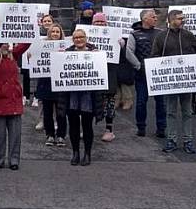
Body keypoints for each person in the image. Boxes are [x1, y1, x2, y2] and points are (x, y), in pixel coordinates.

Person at [151, 10, 196, 154]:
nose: (183, 20)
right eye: (180, 18)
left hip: (186, 80)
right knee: (170, 112)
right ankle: (171, 139)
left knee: (187, 112)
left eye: (183, 18)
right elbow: (154, 55)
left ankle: (188, 140)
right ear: (171, 19)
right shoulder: (161, 37)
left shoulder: (188, 35)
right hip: (170, 81)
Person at [0, 21, 29, 170]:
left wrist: (34, 27)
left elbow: (26, 43)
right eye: (1, 43)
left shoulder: (13, 56)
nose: (5, 45)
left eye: (6, 42)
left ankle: (14, 160)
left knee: (15, 134)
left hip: (14, 100)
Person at [63, 29, 104, 166]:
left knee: (87, 126)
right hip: (72, 95)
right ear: (72, 40)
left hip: (89, 95)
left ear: (86, 38)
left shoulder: (96, 53)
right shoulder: (66, 53)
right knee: (73, 125)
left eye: (81, 37)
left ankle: (87, 153)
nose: (78, 40)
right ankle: (75, 153)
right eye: (76, 38)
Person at [125, 9, 166, 138]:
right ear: (144, 19)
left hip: (158, 74)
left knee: (161, 102)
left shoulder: (160, 33)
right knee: (141, 102)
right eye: (152, 17)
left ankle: (161, 128)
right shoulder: (134, 34)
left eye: (155, 17)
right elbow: (129, 52)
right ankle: (141, 127)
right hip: (142, 75)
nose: (155, 19)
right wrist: (138, 66)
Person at [92, 12, 124, 142]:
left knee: (109, 102)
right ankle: (87, 128)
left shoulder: (114, 36)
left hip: (109, 73)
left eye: (102, 22)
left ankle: (109, 130)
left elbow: (121, 57)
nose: (99, 24)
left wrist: (121, 46)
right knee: (90, 102)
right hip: (92, 73)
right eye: (97, 22)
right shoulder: (87, 34)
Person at [36, 24, 68, 147]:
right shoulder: (41, 46)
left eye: (57, 32)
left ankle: (61, 135)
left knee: (61, 112)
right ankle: (50, 135)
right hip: (46, 83)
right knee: (47, 112)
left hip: (61, 85)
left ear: (61, 34)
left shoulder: (67, 47)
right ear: (49, 34)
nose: (55, 34)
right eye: (53, 31)